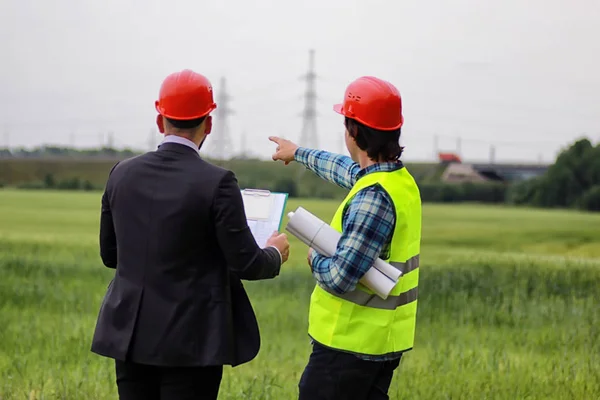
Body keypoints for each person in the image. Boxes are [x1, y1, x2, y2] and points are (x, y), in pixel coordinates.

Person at [91, 69, 290, 400]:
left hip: (130, 336)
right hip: (192, 342)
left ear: (160, 120)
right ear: (208, 125)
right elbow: (247, 264)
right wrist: (273, 252)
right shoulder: (218, 182)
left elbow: (111, 255)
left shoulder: (121, 173)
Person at [270, 76, 422, 400]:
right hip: (378, 343)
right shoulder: (395, 180)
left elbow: (340, 276)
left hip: (349, 346)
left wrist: (314, 256)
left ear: (354, 131)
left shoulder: (375, 196)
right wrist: (297, 153)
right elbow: (343, 168)